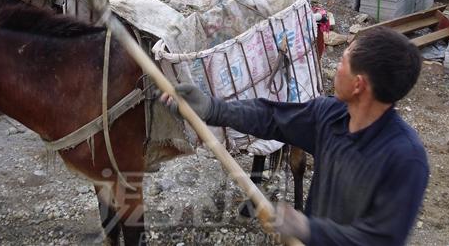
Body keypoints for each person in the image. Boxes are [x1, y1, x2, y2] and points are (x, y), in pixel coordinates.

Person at [162, 26, 429, 245]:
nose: (337, 67)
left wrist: (308, 229)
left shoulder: (405, 158)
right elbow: (271, 117)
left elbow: (381, 240)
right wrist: (212, 109)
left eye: (344, 60)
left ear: (359, 84)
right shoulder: (331, 116)